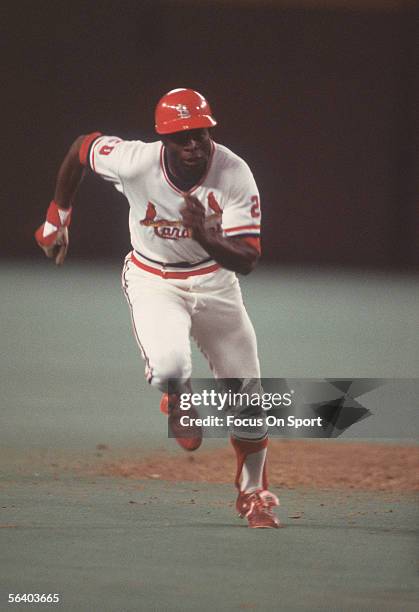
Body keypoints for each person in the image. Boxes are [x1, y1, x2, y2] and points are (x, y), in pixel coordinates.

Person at [35, 88, 280, 528]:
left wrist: (206, 236)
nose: (192, 145)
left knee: (247, 397)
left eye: (199, 134)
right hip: (153, 279)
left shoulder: (234, 173)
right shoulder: (134, 160)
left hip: (215, 281)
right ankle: (178, 395)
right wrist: (59, 215)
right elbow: (80, 150)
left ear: (210, 131)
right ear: (162, 139)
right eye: (180, 137)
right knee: (169, 363)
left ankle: (253, 493)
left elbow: (247, 259)